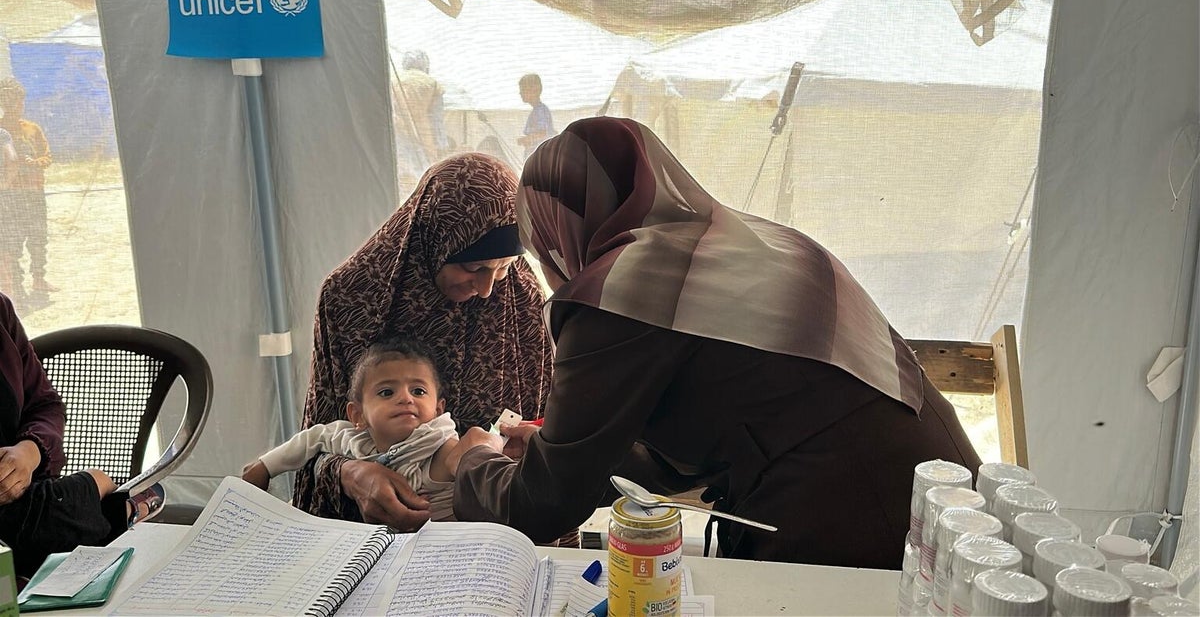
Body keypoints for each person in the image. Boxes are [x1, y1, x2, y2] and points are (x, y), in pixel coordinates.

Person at [451, 117, 982, 569]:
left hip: (851, 513)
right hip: (945, 485)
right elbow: (733, 419)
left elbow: (544, 505)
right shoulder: (754, 242)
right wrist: (562, 453)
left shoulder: (615, 294)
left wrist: (473, 462)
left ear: (550, 229)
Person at [295, 152, 552, 531]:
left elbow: (546, 431)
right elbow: (316, 443)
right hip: (376, 534)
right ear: (434, 241)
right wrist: (352, 474)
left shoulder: (520, 300)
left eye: (501, 268)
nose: (485, 290)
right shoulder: (353, 297)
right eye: (473, 268)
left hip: (490, 536)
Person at [243, 338, 502, 521]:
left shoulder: (436, 444)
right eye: (387, 392)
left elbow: (464, 453)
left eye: (418, 391)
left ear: (437, 409)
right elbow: (314, 437)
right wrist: (265, 466)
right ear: (358, 415)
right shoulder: (354, 440)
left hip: (443, 550)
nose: (406, 398)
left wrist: (486, 444)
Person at [0, 291, 164, 579]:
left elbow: (45, 405)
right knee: (52, 516)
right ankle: (113, 511)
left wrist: (29, 451)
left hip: (25, 495)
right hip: (19, 514)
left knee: (49, 518)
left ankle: (95, 509)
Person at [0, 78, 54, 300]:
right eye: (11, 103)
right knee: (13, 240)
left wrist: (36, 163)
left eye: (20, 102)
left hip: (34, 192)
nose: (17, 107)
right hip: (10, 196)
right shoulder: (1, 132)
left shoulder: (31, 128)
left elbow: (48, 156)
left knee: (38, 235)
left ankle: (39, 278)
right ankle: (17, 287)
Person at [392, 50, 449, 193]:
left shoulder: (393, 80)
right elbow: (436, 121)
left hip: (396, 136)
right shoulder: (432, 84)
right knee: (424, 180)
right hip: (422, 137)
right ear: (425, 64)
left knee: (401, 180)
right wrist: (442, 146)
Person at [0, 128, 20, 300]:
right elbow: (12, 160)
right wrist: (4, 184)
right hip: (2, 200)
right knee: (4, 252)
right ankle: (9, 302)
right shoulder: (2, 134)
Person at [517, 74, 553, 159]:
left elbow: (543, 133)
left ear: (534, 91)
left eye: (523, 90)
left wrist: (526, 139)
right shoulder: (536, 110)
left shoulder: (540, 111)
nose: (520, 93)